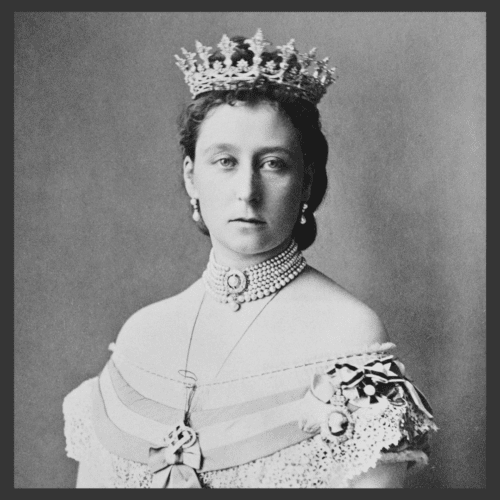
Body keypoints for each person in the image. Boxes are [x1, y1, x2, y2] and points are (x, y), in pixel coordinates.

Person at [63, 29, 437, 488]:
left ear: (307, 181)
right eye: (224, 161)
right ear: (191, 177)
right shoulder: (142, 335)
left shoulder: (349, 334)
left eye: (272, 163)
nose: (246, 191)